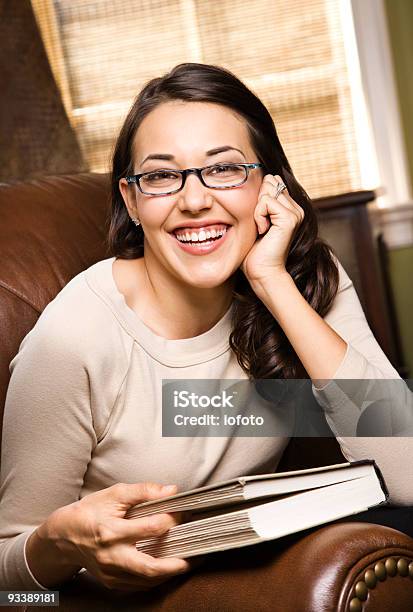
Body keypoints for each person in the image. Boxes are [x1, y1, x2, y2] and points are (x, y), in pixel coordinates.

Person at [0, 62, 412, 592]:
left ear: (268, 185)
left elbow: (404, 476)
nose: (194, 201)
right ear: (132, 199)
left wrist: (271, 283)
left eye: (224, 169)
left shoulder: (304, 276)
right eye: (161, 176)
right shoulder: (74, 339)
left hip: (249, 568)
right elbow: (8, 585)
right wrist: (57, 543)